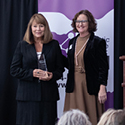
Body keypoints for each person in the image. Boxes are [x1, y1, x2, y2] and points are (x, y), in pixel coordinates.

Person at [10, 13, 64, 125]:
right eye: (35, 26)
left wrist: (52, 75)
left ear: (46, 27)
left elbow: (60, 69)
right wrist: (32, 73)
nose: (38, 29)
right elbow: (14, 70)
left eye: (41, 26)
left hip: (48, 96)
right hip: (27, 96)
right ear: (30, 28)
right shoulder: (22, 45)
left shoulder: (54, 45)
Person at [63, 10, 109, 125]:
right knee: (73, 118)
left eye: (83, 21)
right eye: (78, 21)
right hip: (73, 86)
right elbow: (70, 64)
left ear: (90, 23)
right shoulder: (72, 42)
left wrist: (102, 88)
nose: (80, 24)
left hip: (90, 86)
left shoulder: (98, 42)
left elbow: (103, 67)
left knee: (91, 117)